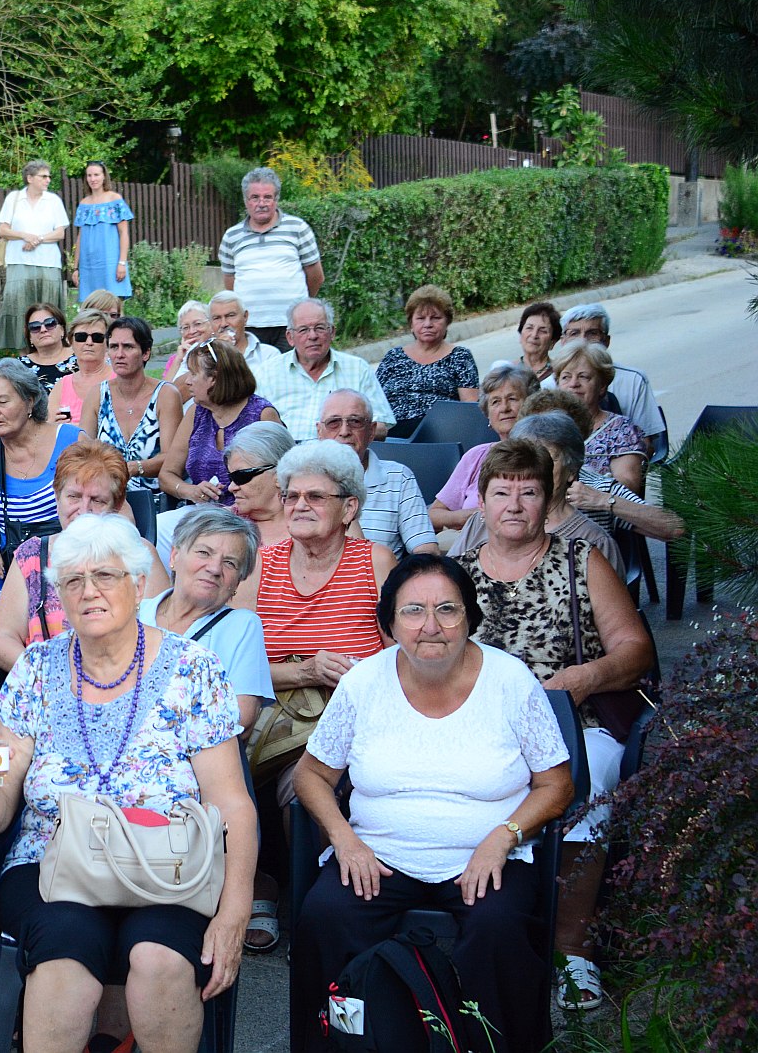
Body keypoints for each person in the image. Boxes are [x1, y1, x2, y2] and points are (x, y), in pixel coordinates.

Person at [0, 514, 258, 1053]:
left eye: (106, 577)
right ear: (58, 595)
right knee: (64, 952)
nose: (89, 592)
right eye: (73, 581)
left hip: (168, 865)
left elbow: (231, 802)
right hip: (53, 864)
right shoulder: (35, 669)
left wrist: (235, 911)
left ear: (139, 584)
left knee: (159, 957)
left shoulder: (195, 668)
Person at [289, 555, 574, 1053]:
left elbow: (556, 785)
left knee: (498, 929)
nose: (432, 626)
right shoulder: (364, 683)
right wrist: (345, 840)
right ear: (390, 622)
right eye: (413, 611)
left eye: (448, 609)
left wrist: (502, 838)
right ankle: (339, 1042)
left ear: (470, 617)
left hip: (483, 855)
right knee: (326, 915)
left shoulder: (511, 682)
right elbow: (311, 775)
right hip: (378, 854)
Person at [456, 439, 653, 1013]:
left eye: (529, 491)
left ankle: (573, 949)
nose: (514, 504)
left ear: (548, 500)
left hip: (573, 718)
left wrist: (583, 678)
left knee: (587, 788)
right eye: (501, 492)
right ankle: (483, 932)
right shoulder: (456, 574)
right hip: (481, 722)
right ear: (481, 500)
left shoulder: (580, 560)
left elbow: (635, 649)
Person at [234, 438, 396, 952]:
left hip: (350, 708)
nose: (299, 505)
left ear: (349, 508)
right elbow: (233, 659)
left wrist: (352, 677)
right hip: (267, 703)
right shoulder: (263, 561)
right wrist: (304, 670)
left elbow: (399, 654)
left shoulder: (374, 561)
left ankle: (320, 901)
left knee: (297, 782)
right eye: (292, 495)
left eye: (316, 497)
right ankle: (255, 885)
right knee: (213, 762)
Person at [0, 439, 168, 672]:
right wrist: (45, 673)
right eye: (74, 497)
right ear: (57, 496)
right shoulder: (32, 554)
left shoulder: (139, 554)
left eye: (97, 500)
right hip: (47, 687)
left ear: (117, 504)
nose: (83, 510)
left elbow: (164, 637)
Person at [141, 507, 274, 730]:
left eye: (230, 563)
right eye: (204, 553)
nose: (214, 568)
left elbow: (241, 717)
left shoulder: (241, 626)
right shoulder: (135, 614)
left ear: (238, 582)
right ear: (174, 556)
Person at [452, 413, 628, 577]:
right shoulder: (481, 521)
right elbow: (448, 580)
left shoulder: (594, 542)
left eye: (548, 459)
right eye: (525, 459)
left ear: (572, 470)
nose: (535, 468)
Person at [156, 340, 280, 561]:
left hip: (252, 516)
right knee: (158, 529)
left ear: (213, 379)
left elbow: (282, 477)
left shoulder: (262, 414)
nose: (187, 380)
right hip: (203, 513)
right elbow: (166, 475)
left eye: (193, 373)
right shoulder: (197, 412)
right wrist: (189, 490)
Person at [0, 359, 83, 595]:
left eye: (2, 401)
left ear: (30, 400)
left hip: (71, 568)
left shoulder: (72, 442)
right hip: (13, 573)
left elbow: (107, 510)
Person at [516, 391, 684, 541]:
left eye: (548, 458)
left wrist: (604, 501)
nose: (536, 468)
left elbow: (675, 528)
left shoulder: (594, 488)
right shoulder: (507, 483)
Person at [315, 389, 439, 558]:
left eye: (355, 421)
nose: (344, 431)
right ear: (319, 432)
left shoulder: (399, 478)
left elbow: (427, 551)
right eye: (333, 423)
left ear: (372, 431)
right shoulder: (302, 482)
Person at [254, 298, 394, 442]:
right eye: (303, 330)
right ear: (290, 337)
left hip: (342, 454)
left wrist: (341, 432)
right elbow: (250, 426)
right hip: (283, 457)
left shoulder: (358, 369)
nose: (313, 336)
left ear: (332, 332)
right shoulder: (267, 372)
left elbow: (381, 426)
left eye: (320, 328)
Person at [218, 167, 323, 352]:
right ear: (246, 201)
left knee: (291, 376)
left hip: (291, 325)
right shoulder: (231, 236)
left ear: (276, 199)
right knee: (253, 379)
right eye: (255, 197)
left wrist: (299, 306)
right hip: (249, 327)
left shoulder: (298, 228)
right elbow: (230, 283)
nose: (261, 203)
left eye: (267, 197)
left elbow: (315, 276)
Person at [430, 363, 540, 534]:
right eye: (496, 402)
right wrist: (464, 517)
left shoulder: (543, 456)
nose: (504, 408)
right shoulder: (476, 456)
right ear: (488, 414)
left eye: (512, 399)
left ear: (531, 406)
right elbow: (434, 514)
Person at [85, 316, 182, 493]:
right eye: (114, 347)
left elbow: (173, 458)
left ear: (146, 353)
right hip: (107, 496)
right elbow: (83, 452)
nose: (119, 354)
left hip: (156, 499)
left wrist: (134, 468)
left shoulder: (165, 395)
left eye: (128, 347)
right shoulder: (97, 395)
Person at [558, 303, 665, 457]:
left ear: (606, 341)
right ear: (563, 340)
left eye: (592, 333)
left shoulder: (633, 380)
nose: (582, 340)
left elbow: (646, 444)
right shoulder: (548, 384)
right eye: (574, 333)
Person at [375, 285, 480, 439]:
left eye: (435, 318)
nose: (428, 324)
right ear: (411, 323)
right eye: (420, 318)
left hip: (440, 437)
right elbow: (374, 401)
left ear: (447, 322)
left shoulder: (460, 357)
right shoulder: (393, 357)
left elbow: (469, 409)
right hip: (391, 437)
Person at [551, 341, 648, 497]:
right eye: (566, 377)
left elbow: (627, 488)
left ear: (602, 385)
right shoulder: (545, 427)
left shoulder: (620, 430)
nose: (573, 384)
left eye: (583, 377)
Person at [0, 161, 71, 351]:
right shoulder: (14, 198)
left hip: (48, 263)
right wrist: (24, 235)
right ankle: (25, 357)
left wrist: (37, 239)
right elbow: (3, 230)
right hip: (19, 261)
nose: (48, 180)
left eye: (49, 176)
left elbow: (60, 233)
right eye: (43, 176)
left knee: (49, 310)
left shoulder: (53, 200)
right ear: (30, 178)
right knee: (21, 309)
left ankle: (52, 355)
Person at [222, 422, 298, 554]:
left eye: (241, 476)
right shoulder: (221, 524)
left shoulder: (314, 524)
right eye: (231, 478)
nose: (231, 487)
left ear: (280, 474)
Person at [70, 161, 133, 301]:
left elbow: (124, 234)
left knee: (113, 307)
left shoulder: (115, 199)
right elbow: (80, 237)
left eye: (96, 175)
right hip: (88, 266)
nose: (93, 179)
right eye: (89, 175)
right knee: (91, 309)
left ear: (104, 176)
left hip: (110, 264)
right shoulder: (83, 203)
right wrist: (75, 268)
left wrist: (122, 263)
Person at [47, 309, 114, 426]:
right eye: (81, 337)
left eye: (97, 337)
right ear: (71, 341)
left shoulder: (119, 380)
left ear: (107, 343)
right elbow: (47, 427)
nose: (89, 342)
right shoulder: (61, 386)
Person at [209, 289, 276, 371]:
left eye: (230, 315)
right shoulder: (203, 357)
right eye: (217, 318)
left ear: (245, 317)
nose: (223, 324)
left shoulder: (269, 355)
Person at [17, 301, 77, 391]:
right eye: (35, 326)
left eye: (50, 323)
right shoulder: (19, 367)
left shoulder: (81, 358)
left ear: (62, 329)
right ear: (29, 336)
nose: (43, 330)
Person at [162, 300, 212, 391]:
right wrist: (179, 360)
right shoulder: (176, 359)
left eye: (198, 324)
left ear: (211, 324)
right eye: (186, 327)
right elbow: (162, 393)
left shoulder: (219, 353)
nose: (192, 331)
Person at [514, 300, 562, 383]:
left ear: (552, 342)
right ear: (521, 335)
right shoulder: (505, 370)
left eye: (543, 331)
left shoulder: (559, 374)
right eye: (529, 328)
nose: (534, 335)